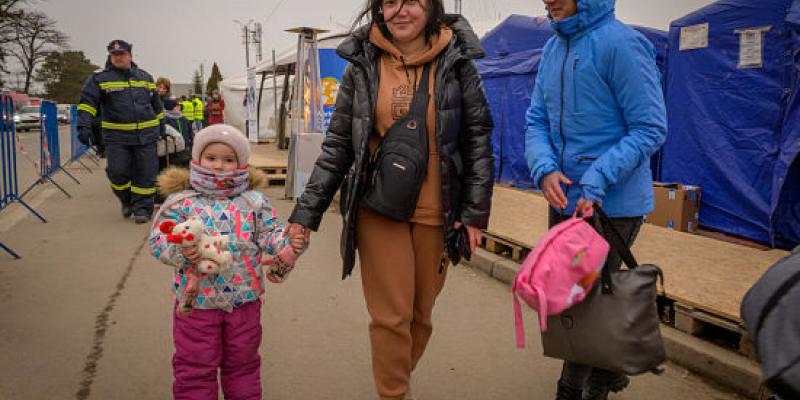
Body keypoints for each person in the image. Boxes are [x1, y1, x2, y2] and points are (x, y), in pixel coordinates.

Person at [287, 1, 494, 398]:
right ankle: (394, 393)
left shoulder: (458, 62)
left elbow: (478, 141)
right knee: (391, 319)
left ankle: (394, 376)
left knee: (420, 318)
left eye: (412, 0)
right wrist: (305, 213)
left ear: (431, 7)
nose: (400, 10)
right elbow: (337, 147)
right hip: (378, 207)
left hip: (439, 211)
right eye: (389, 1)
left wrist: (474, 215)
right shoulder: (362, 63)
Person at [525, 0, 667, 398]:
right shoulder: (553, 48)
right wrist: (544, 168)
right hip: (564, 199)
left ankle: (573, 391)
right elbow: (536, 118)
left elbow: (650, 127)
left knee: (583, 303)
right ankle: (608, 372)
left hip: (611, 204)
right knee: (581, 297)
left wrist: (598, 179)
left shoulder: (622, 44)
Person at [149, 124, 306, 400]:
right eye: (211, 158)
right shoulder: (180, 202)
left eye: (229, 159)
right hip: (196, 303)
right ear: (197, 160)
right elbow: (159, 241)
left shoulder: (254, 202)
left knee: (243, 365)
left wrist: (289, 242)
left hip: (244, 302)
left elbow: (270, 234)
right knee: (194, 368)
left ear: (241, 163)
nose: (219, 166)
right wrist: (182, 252)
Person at [77, 39, 165, 224]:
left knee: (146, 174)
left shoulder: (145, 77)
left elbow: (156, 107)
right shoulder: (99, 78)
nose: (118, 57)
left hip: (146, 137)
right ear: (110, 56)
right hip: (117, 138)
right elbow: (87, 104)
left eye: (122, 54)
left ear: (130, 55)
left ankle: (143, 209)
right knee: (117, 173)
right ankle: (126, 199)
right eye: (114, 54)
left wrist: (161, 128)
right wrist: (84, 126)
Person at [161, 97, 193, 168]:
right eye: (176, 106)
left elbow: (190, 132)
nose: (179, 107)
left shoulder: (184, 119)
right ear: (170, 108)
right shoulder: (165, 120)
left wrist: (191, 143)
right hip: (172, 152)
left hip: (185, 149)